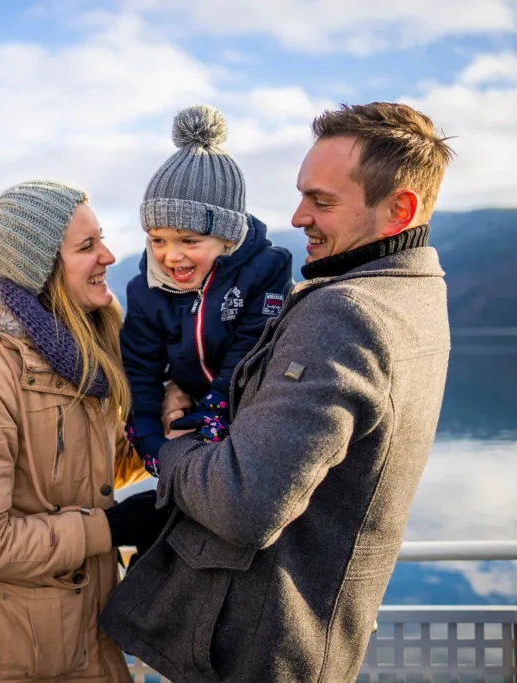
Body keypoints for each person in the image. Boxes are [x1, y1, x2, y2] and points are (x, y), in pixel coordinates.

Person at [100, 102, 455, 682]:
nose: (298, 217)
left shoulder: (344, 314)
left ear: (399, 210)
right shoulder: (418, 296)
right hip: (310, 633)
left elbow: (244, 504)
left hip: (251, 647)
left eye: (322, 200)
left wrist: (168, 447)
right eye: (301, 195)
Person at [0, 180, 162, 683]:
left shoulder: (79, 356)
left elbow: (84, 473)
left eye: (100, 238)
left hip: (89, 638)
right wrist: (111, 529)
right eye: (86, 247)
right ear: (41, 268)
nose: (108, 255)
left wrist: (164, 424)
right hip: (22, 657)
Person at [121, 104, 293, 476]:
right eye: (158, 240)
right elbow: (140, 364)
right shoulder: (146, 290)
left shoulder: (265, 272)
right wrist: (147, 429)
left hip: (252, 411)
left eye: (189, 240)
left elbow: (252, 344)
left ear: (227, 237)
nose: (171, 255)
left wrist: (218, 405)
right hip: (189, 409)